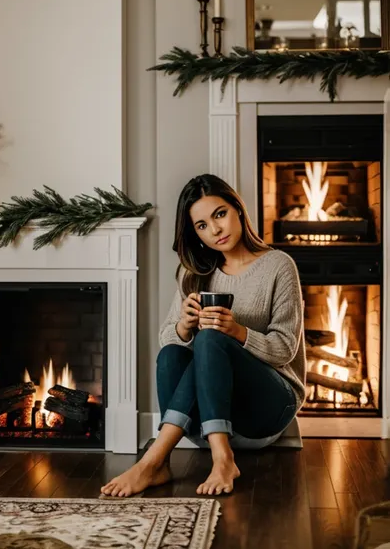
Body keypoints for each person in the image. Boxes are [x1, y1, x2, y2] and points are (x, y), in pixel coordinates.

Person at [101, 173, 305, 497]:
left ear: (237, 209)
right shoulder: (194, 273)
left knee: (211, 339)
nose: (215, 230)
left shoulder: (278, 266)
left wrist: (236, 331)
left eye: (220, 214)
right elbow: (168, 341)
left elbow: (284, 350)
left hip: (269, 409)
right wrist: (184, 325)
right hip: (210, 419)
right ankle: (165, 464)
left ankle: (184, 458)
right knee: (173, 351)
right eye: (201, 225)